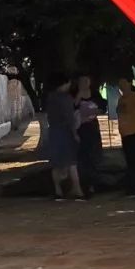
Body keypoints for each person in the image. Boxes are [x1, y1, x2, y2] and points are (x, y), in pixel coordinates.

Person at [44, 73, 84, 201]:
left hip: (54, 132)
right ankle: (77, 189)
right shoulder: (66, 98)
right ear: (64, 83)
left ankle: (58, 191)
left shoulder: (50, 97)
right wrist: (75, 134)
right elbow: (70, 118)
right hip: (65, 132)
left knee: (56, 163)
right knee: (72, 162)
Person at [73, 75, 103, 197]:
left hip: (92, 127)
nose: (84, 83)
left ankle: (93, 184)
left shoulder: (95, 94)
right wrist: (79, 96)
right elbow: (73, 108)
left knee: (93, 154)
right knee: (82, 156)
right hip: (81, 128)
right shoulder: (75, 93)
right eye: (82, 81)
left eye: (86, 81)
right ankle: (83, 184)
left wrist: (94, 111)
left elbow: (102, 107)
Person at [116, 77, 135, 197]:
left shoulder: (132, 97)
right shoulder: (122, 99)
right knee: (132, 161)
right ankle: (133, 187)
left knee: (132, 161)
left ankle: (133, 186)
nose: (122, 86)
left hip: (132, 132)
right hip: (127, 133)